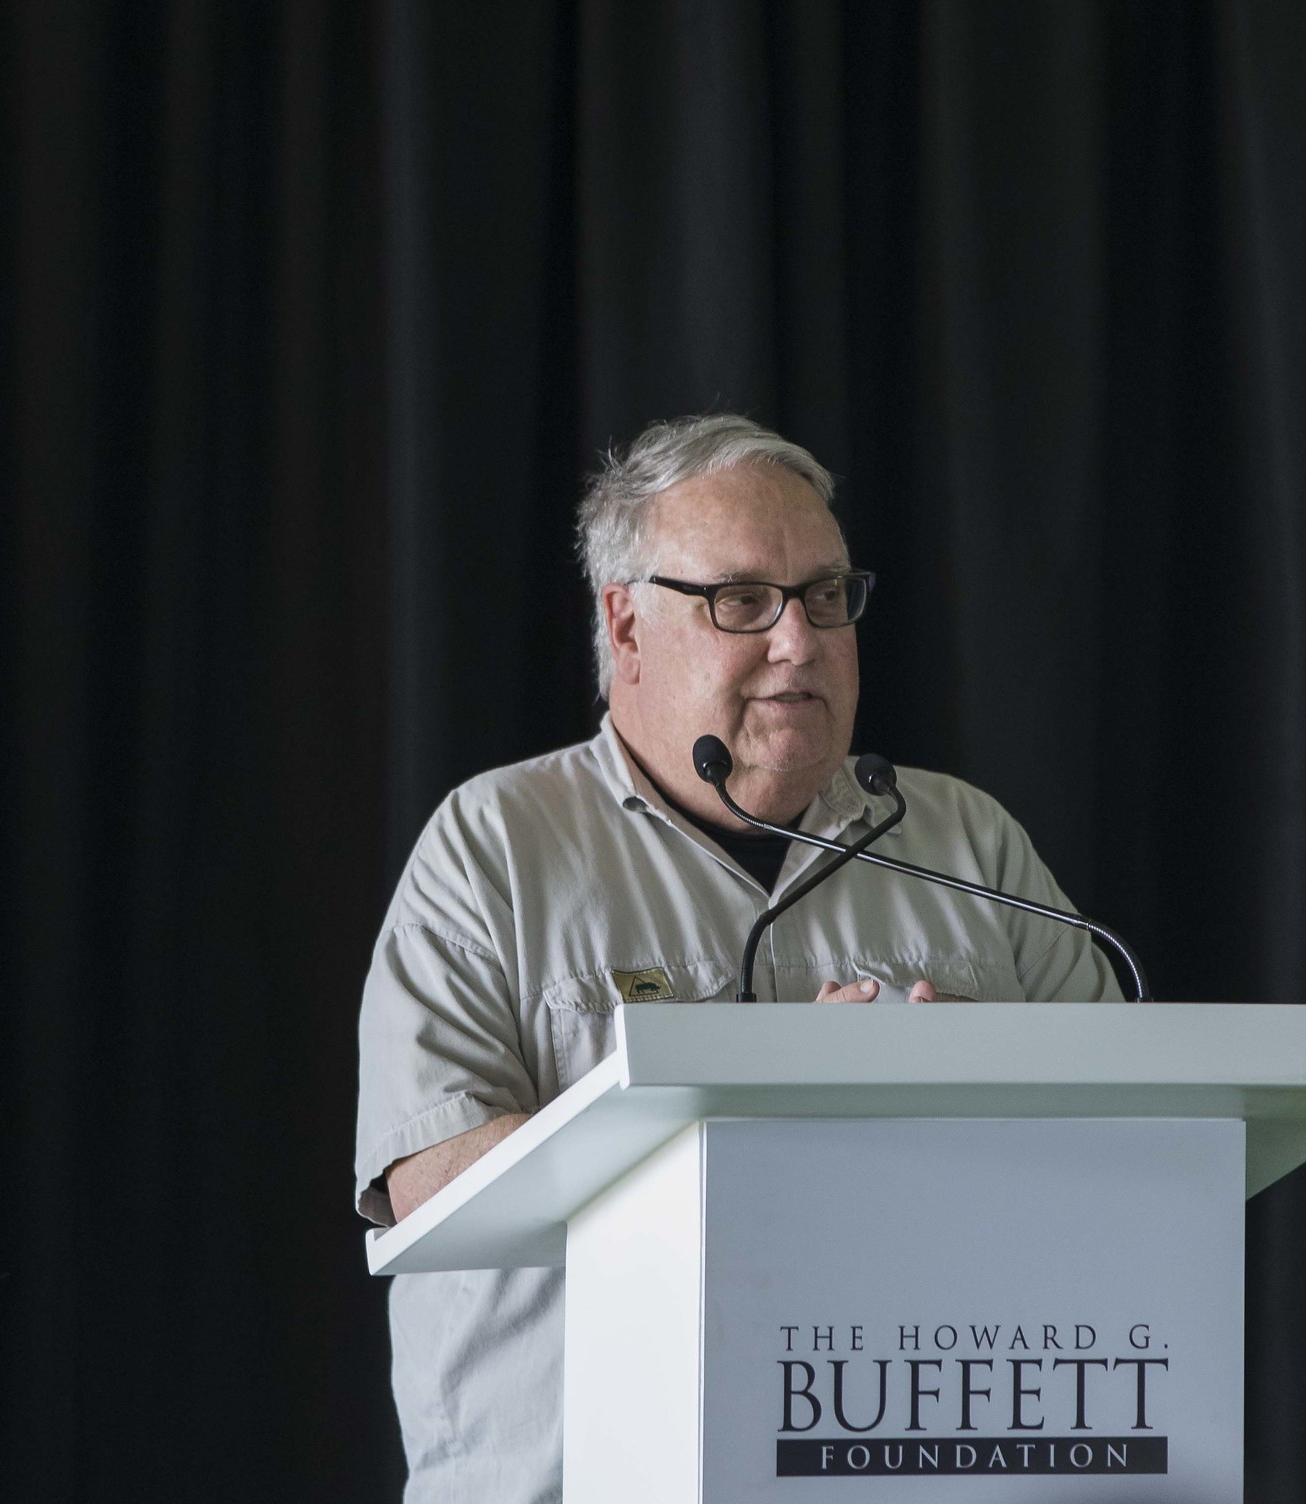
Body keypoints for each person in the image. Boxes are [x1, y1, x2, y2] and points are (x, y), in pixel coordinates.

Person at [354, 413, 1122, 1501]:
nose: (799, 641)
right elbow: (429, 1181)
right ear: (624, 625)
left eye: (824, 596)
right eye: (742, 602)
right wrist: (767, 1110)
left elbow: (1132, 1137)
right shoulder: (492, 846)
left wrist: (960, 1101)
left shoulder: (966, 841)